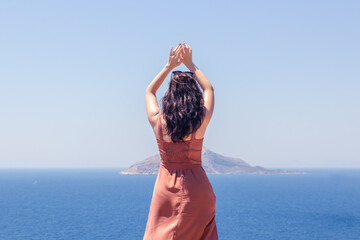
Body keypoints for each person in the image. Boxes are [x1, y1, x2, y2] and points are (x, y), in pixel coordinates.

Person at [144, 41, 218, 240]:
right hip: (199, 190)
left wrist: (169, 67)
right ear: (194, 94)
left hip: (166, 190)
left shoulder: (159, 122)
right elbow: (209, 89)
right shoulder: (200, 121)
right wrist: (191, 64)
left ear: (170, 95)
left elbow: (149, 92)